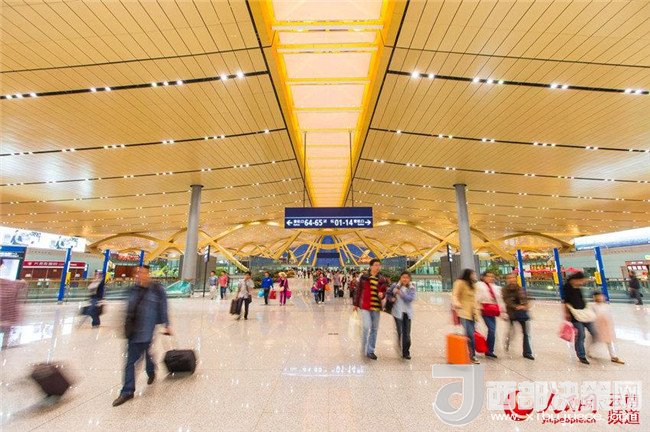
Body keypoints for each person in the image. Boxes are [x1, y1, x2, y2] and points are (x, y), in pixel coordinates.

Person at [113, 265, 172, 407]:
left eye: (143, 272)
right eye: (137, 273)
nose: (140, 275)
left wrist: (166, 324)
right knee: (132, 360)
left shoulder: (157, 290)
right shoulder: (132, 290)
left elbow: (163, 306)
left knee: (145, 352)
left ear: (148, 274)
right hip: (133, 331)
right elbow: (126, 309)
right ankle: (128, 391)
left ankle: (150, 371)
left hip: (147, 330)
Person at [353, 259, 388, 360]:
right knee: (366, 326)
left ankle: (370, 350)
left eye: (379, 265)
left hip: (376, 306)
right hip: (365, 306)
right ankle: (364, 347)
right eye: (376, 265)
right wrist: (355, 304)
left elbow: (384, 291)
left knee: (374, 329)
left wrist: (382, 294)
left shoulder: (382, 279)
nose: (378, 267)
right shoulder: (364, 277)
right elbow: (358, 290)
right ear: (371, 266)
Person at [562, 272, 598, 365]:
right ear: (575, 280)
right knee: (581, 334)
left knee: (594, 332)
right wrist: (566, 313)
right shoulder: (567, 288)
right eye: (581, 281)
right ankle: (581, 355)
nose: (582, 282)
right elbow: (565, 302)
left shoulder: (578, 287)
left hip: (584, 313)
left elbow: (585, 281)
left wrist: (590, 279)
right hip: (574, 315)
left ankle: (589, 349)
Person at [501, 272, 534, 360]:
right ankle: (507, 341)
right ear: (507, 280)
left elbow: (526, 299)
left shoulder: (520, 288)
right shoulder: (504, 289)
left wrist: (525, 306)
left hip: (522, 314)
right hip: (512, 313)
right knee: (511, 331)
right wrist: (517, 306)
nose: (512, 279)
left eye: (513, 278)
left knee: (525, 333)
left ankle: (527, 352)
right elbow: (507, 301)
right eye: (510, 278)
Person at [451, 269, 481, 364]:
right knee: (470, 334)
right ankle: (472, 355)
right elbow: (455, 295)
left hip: (473, 313)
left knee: (470, 334)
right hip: (463, 312)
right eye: (473, 274)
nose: (474, 276)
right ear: (468, 274)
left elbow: (476, 298)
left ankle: (468, 353)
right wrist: (457, 304)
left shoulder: (473, 285)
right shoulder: (459, 283)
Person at [385, 271, 416, 359]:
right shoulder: (395, 286)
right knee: (400, 332)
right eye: (403, 277)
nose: (405, 279)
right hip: (397, 313)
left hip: (407, 313)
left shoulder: (412, 287)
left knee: (407, 334)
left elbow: (410, 299)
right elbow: (388, 293)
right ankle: (400, 345)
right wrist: (391, 298)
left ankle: (406, 352)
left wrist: (400, 293)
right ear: (400, 278)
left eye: (407, 277)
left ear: (409, 279)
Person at [592, 290, 625, 364]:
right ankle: (589, 351)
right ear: (594, 298)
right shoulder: (593, 306)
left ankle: (613, 356)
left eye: (601, 296)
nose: (600, 298)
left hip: (605, 327)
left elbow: (609, 316)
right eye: (598, 297)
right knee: (594, 340)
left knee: (609, 341)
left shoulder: (606, 306)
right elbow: (592, 317)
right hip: (597, 326)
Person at [0, 258, 27, 349]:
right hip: (6, 320)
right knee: (5, 336)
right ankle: (4, 349)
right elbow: (23, 283)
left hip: (5, 321)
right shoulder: (10, 284)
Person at [476, 271, 502, 358]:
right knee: (492, 329)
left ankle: (489, 350)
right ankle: (489, 350)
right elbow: (476, 297)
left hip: (492, 310)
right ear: (483, 277)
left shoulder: (494, 286)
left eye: (492, 276)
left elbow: (498, 298)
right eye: (489, 276)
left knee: (493, 330)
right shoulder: (479, 285)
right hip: (484, 309)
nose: (491, 278)